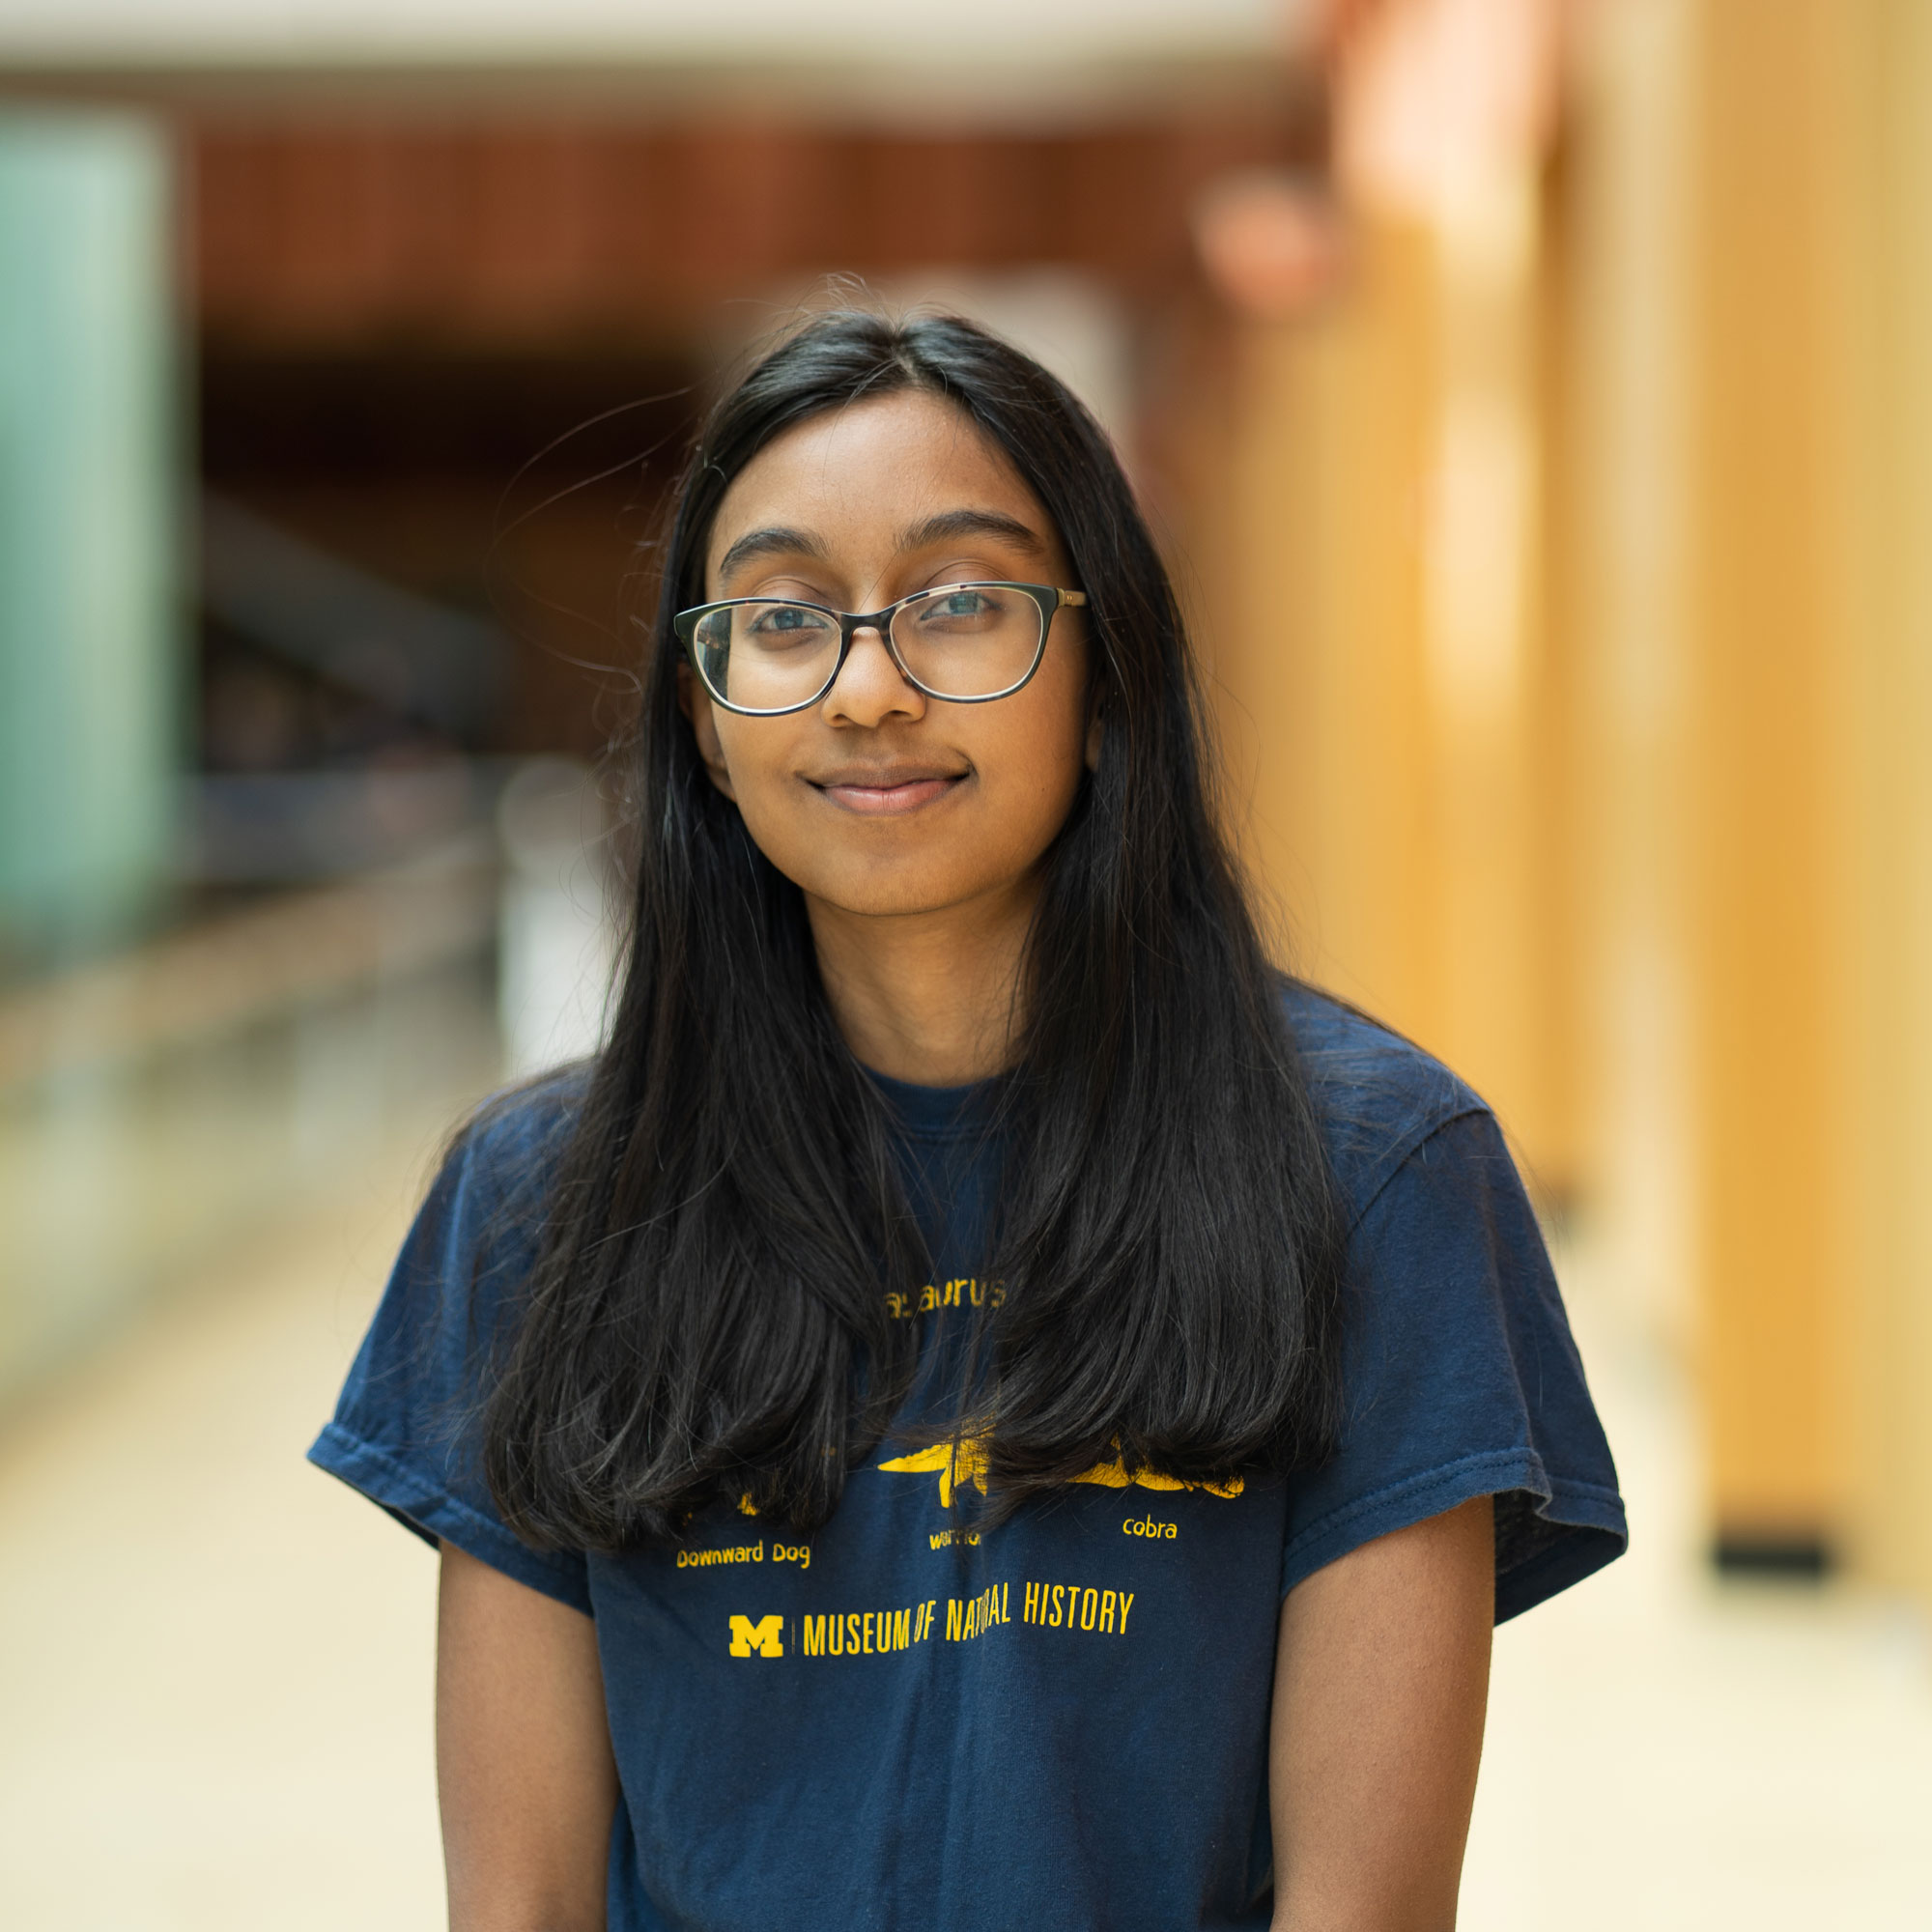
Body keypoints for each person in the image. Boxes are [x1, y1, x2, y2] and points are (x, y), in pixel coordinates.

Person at [310, 309, 1625, 1932]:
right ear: (707, 716)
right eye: (784, 619)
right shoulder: (539, 1208)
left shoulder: (1374, 1172)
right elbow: (520, 1906)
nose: (869, 690)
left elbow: (1364, 1909)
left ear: (1107, 665)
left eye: (964, 604)